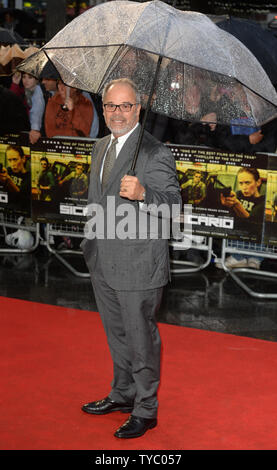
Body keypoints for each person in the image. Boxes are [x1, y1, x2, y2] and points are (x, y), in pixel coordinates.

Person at [81, 78, 181, 439]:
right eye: (111, 106)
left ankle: (146, 409)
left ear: (138, 109)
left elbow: (173, 207)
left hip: (139, 263)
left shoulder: (155, 152)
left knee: (141, 339)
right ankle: (123, 393)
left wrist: (144, 193)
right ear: (103, 108)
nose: (117, 113)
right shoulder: (100, 147)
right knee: (117, 335)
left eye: (125, 106)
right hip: (103, 259)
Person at [10, 72, 45, 145]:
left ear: (37, 79)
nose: (26, 80)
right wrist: (15, 83)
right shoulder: (23, 91)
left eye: (30, 77)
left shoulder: (40, 92)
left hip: (37, 133)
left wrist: (35, 129)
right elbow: (11, 102)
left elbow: (36, 112)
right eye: (24, 77)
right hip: (26, 131)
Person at [0, 145, 31, 210]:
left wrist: (8, 180)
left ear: (23, 159)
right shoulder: (7, 171)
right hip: (6, 209)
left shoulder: (28, 177)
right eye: (9, 160)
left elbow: (21, 197)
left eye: (15, 159)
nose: (12, 164)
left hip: (21, 210)